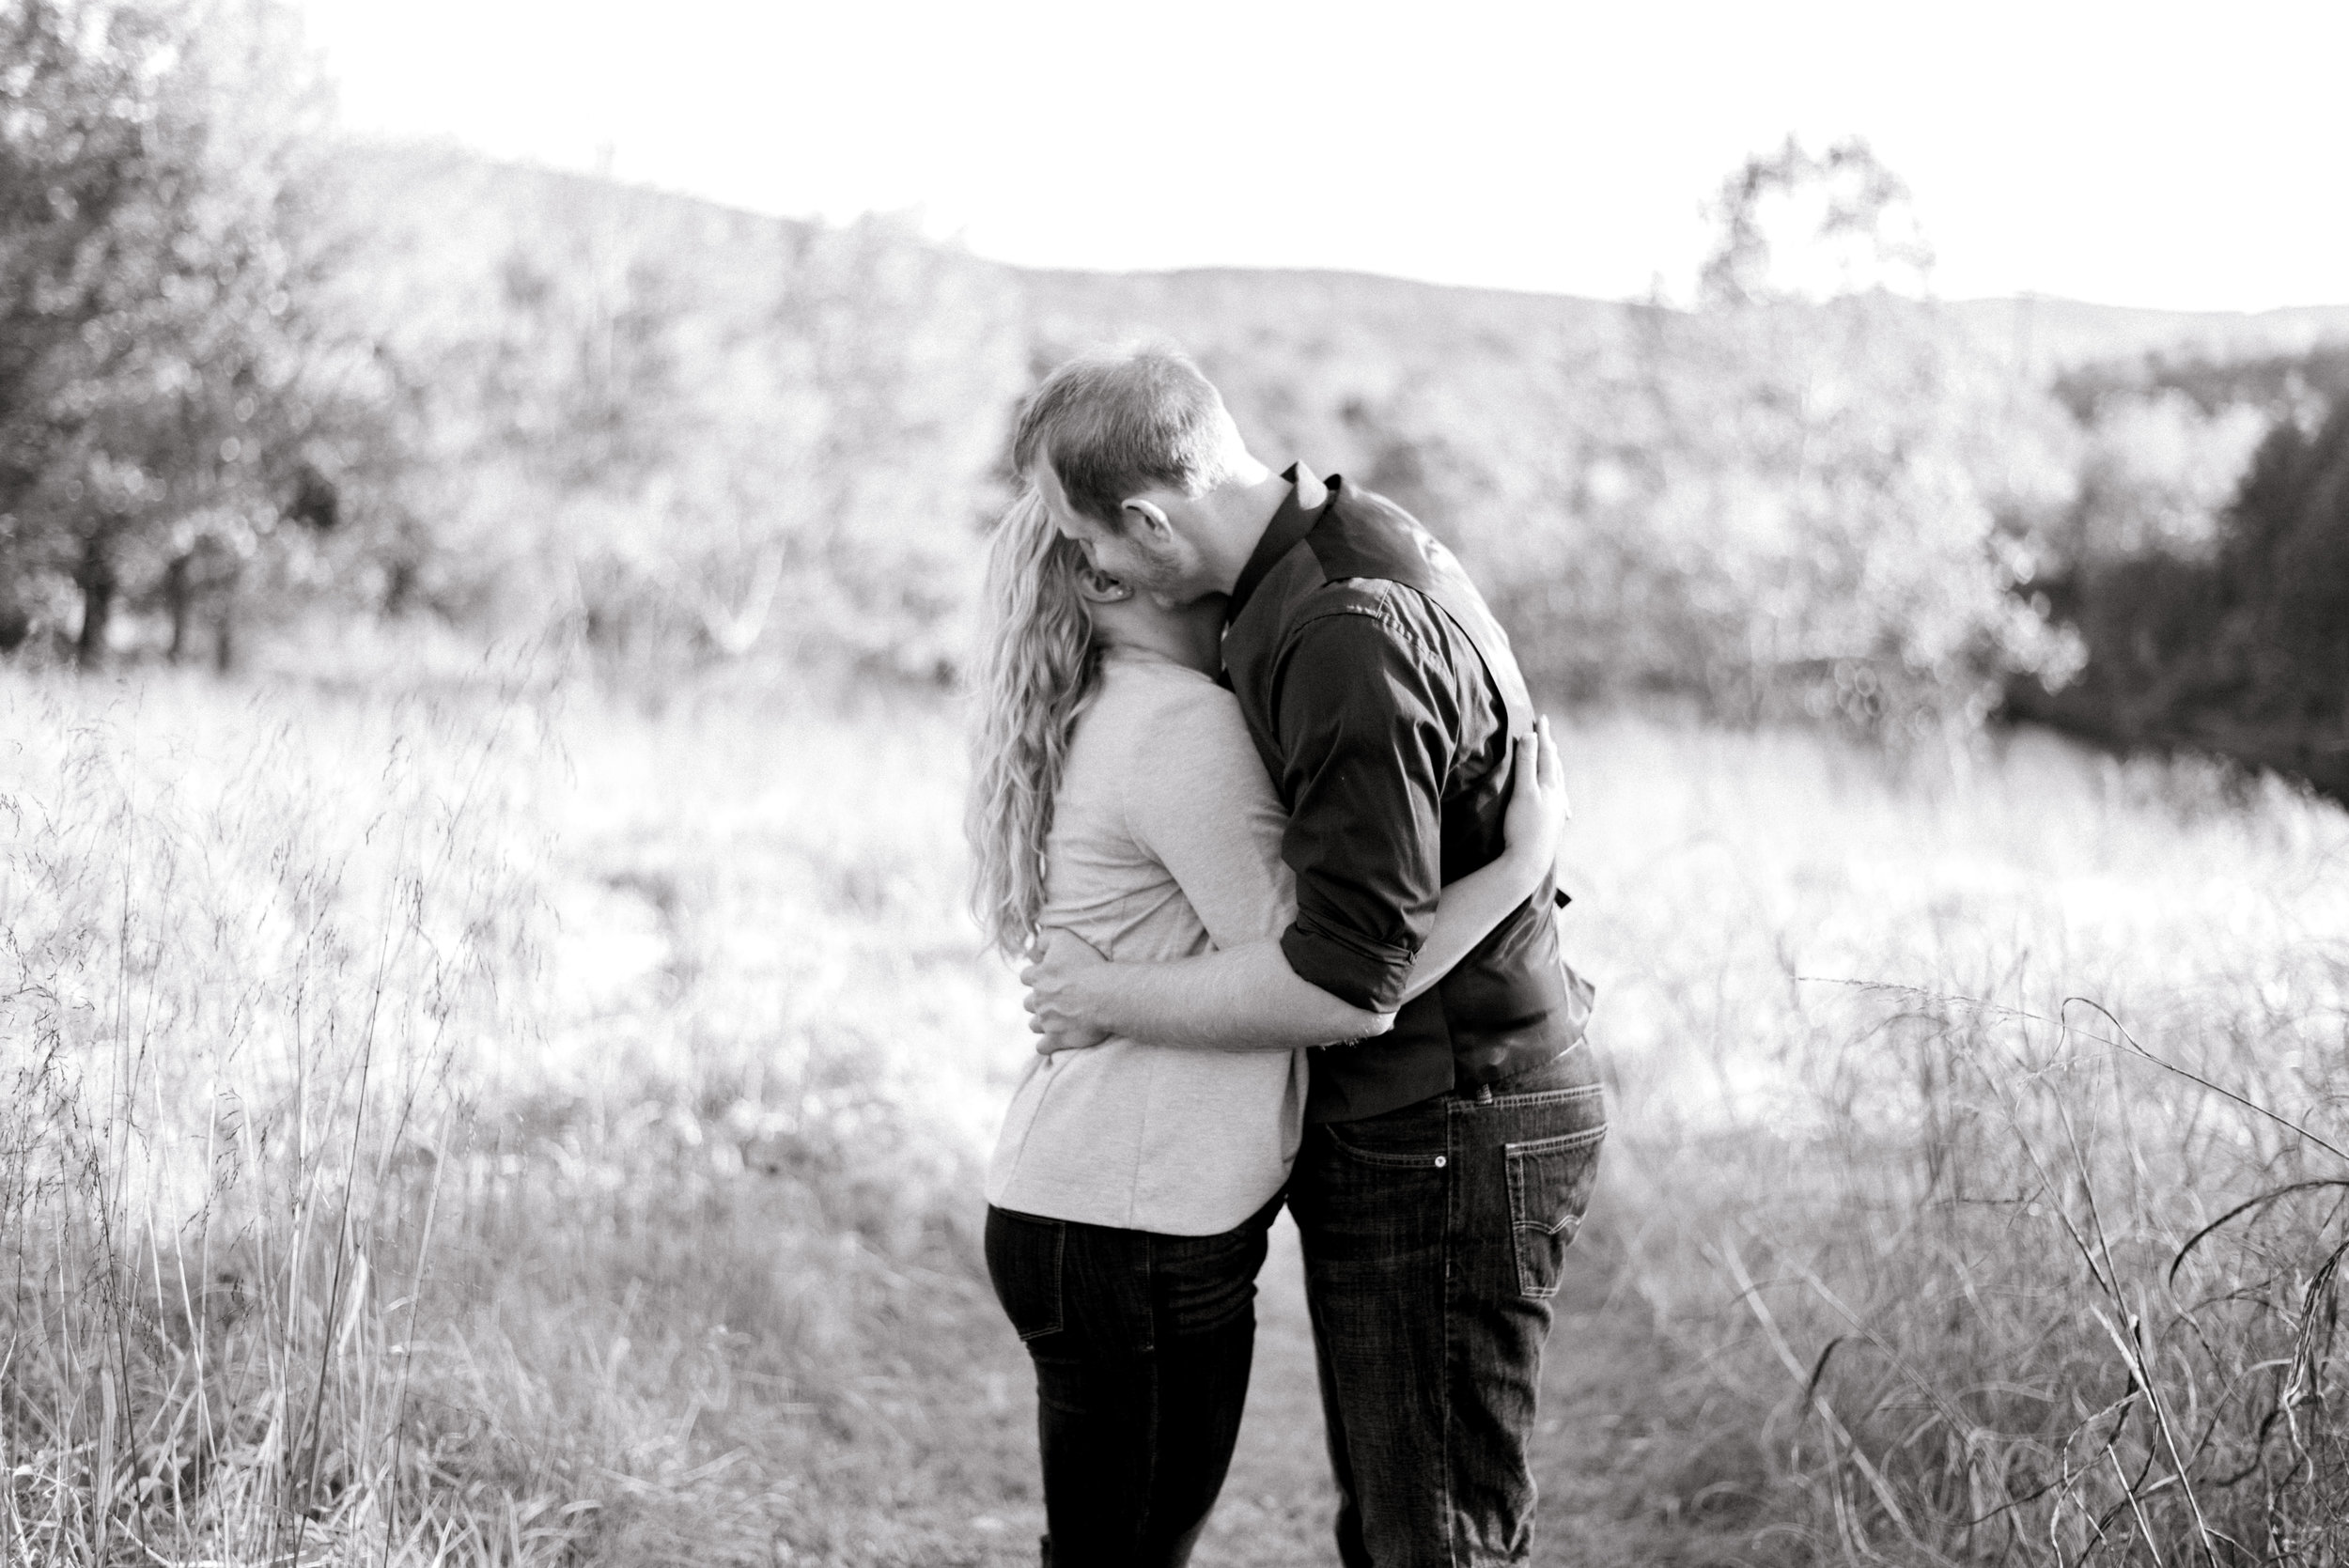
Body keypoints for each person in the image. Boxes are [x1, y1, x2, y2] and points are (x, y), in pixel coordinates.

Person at [1017, 346, 1606, 1567]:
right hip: (1432, 1104)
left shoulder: (1339, 626)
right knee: (1403, 1525)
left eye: (1095, 546)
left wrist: (1100, 994)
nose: (1097, 574)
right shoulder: (1328, 549)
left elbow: (1348, 980)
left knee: (1427, 1539)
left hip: (1454, 1107)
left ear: (1145, 517)